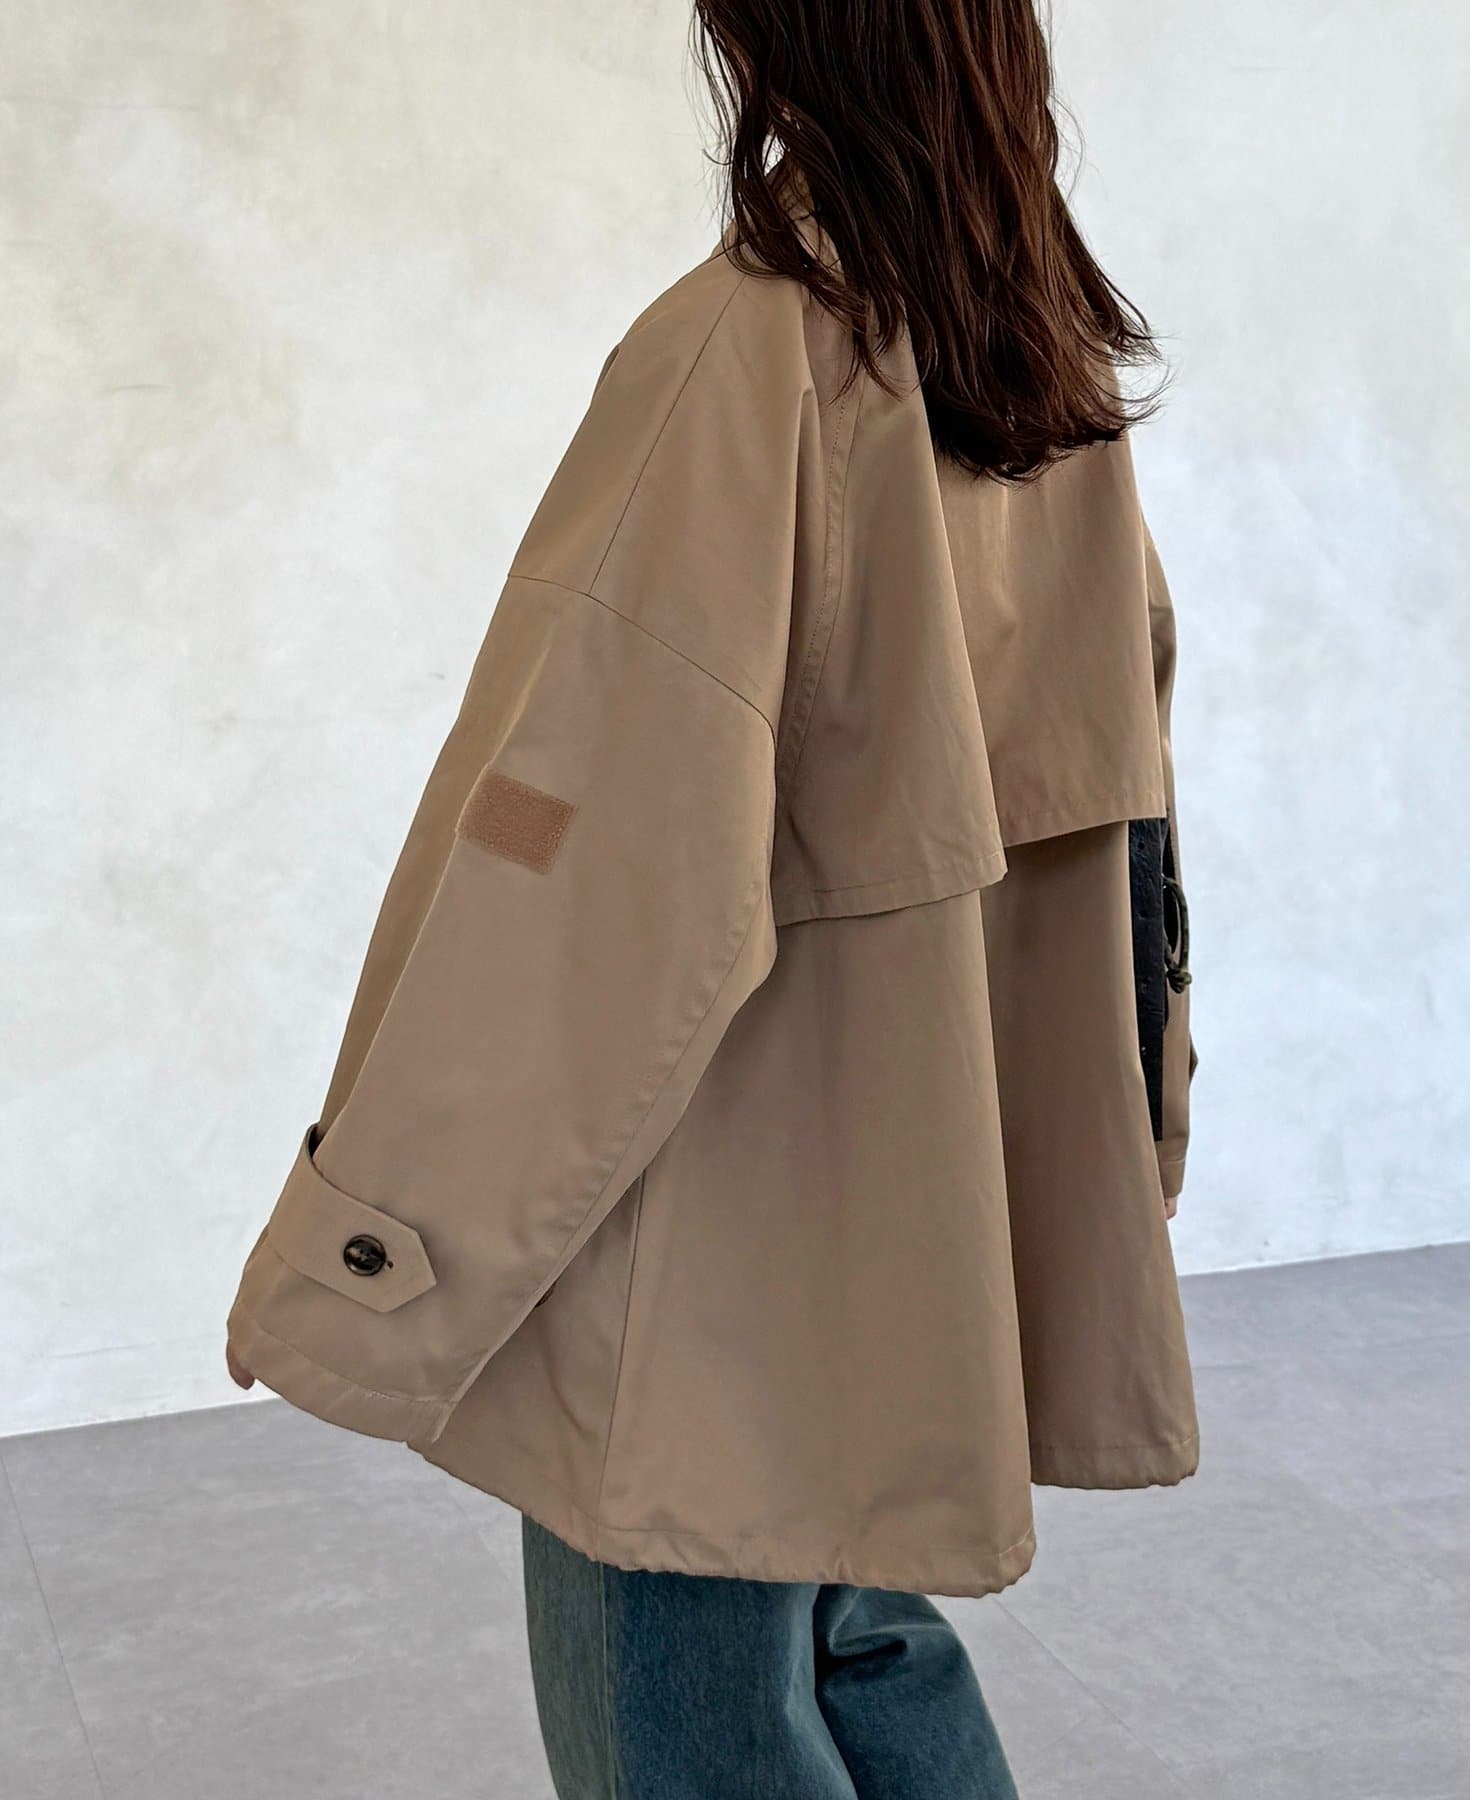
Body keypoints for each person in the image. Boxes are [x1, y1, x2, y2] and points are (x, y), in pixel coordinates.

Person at [226, 0, 1199, 1792]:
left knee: (684, 1683)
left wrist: (374, 1243)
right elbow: (1125, 811)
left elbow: (580, 870)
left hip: (716, 1222)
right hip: (913, 1185)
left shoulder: (746, 350)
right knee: (853, 1624)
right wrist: (1142, 1107)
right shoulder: (1033, 344)